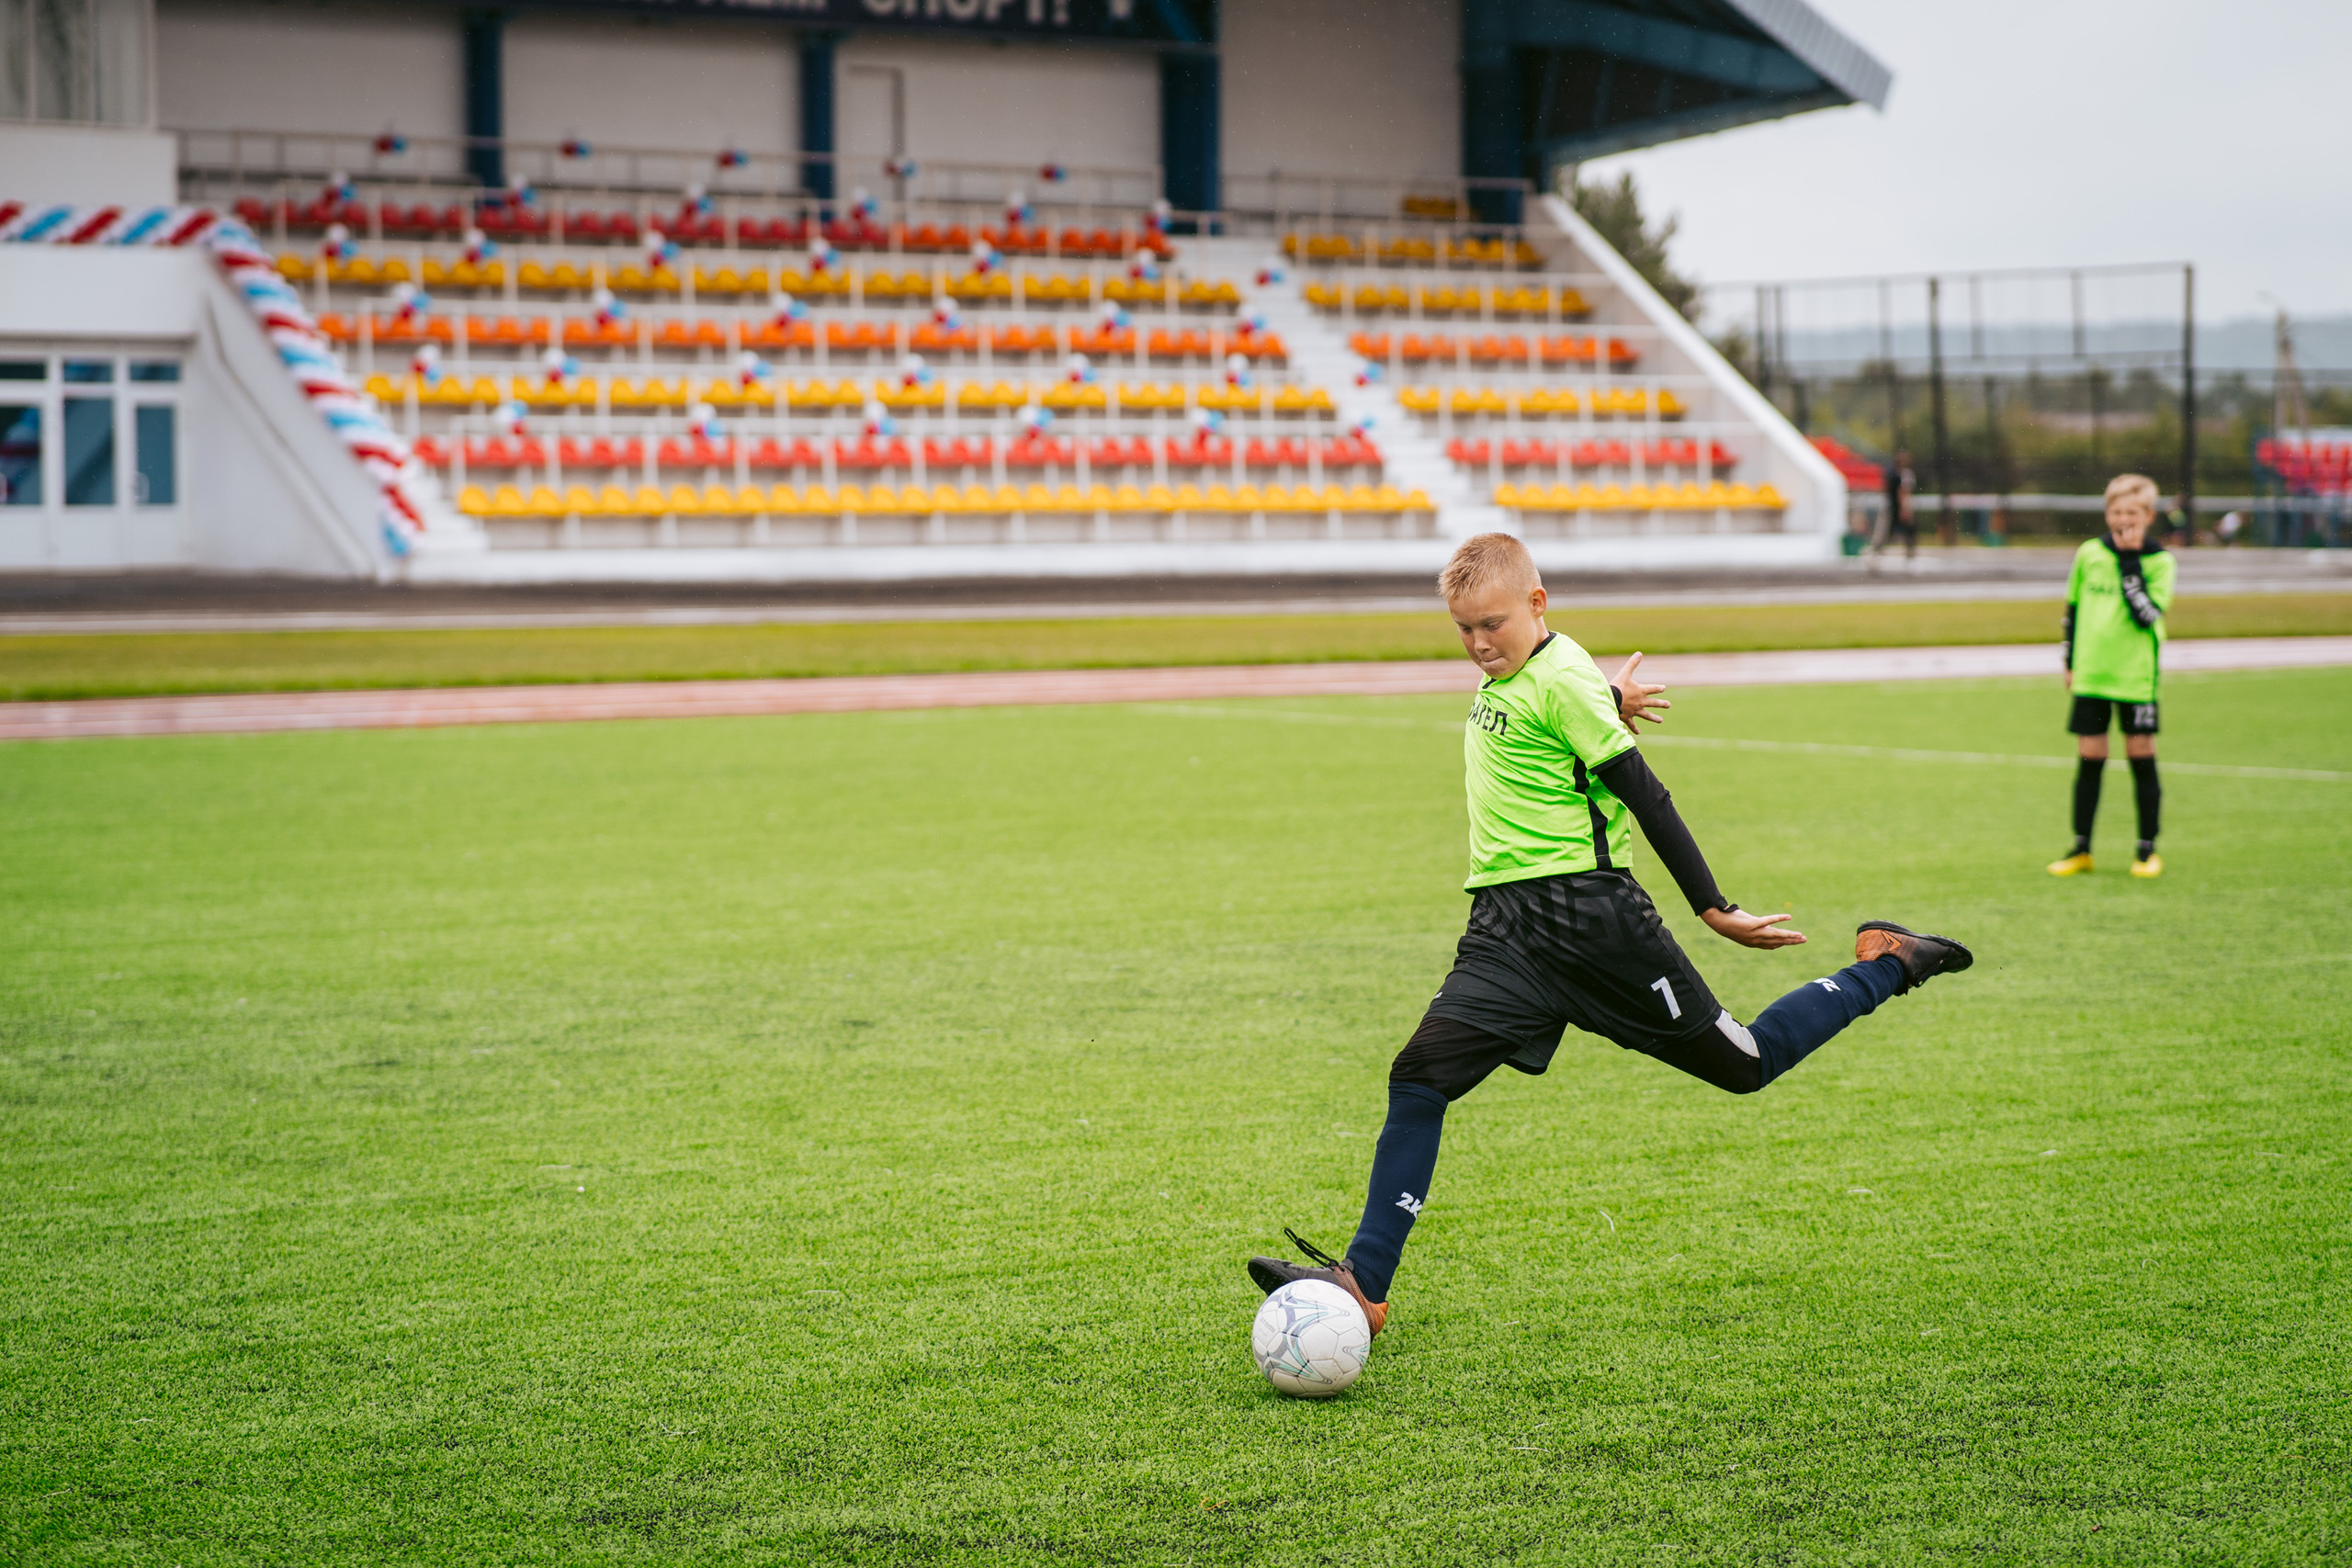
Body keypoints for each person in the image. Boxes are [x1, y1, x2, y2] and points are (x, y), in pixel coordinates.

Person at [1247, 534, 1975, 1335]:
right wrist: (1605, 703)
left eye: (1493, 624)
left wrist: (1713, 906)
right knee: (1419, 1079)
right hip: (1505, 931)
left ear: (1537, 604)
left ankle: (1889, 963)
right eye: (1463, 629)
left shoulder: (1559, 677)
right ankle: (1364, 1284)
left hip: (1596, 925)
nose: (1479, 643)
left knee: (1747, 1064)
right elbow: (1555, 735)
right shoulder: (1545, 677)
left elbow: (1647, 796)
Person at [2047, 473, 2175, 880]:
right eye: (2117, 512)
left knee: (2141, 759)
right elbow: (2074, 608)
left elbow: (2147, 615)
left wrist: (2130, 560)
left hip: (2135, 678)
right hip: (2092, 675)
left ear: (2149, 516)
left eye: (2132, 512)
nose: (2123, 520)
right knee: (2090, 762)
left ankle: (2146, 849)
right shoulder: (2089, 553)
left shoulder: (2160, 561)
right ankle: (2082, 848)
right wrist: (2069, 661)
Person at [1880, 449, 1918, 558]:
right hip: (1899, 506)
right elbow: (1903, 491)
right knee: (1908, 530)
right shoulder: (1904, 474)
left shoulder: (1893, 473)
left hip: (1892, 506)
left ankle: (1881, 550)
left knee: (1889, 530)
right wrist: (1905, 508)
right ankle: (1909, 553)